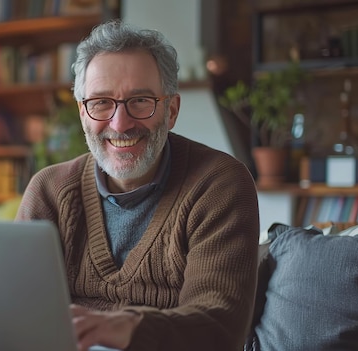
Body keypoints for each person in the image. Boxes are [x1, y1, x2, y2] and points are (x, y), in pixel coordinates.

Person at [16, 19, 259, 351]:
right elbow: (15, 312)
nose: (120, 123)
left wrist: (129, 326)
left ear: (170, 110)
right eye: (101, 102)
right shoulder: (49, 189)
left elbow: (220, 328)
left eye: (140, 101)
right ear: (82, 114)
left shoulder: (219, 184)